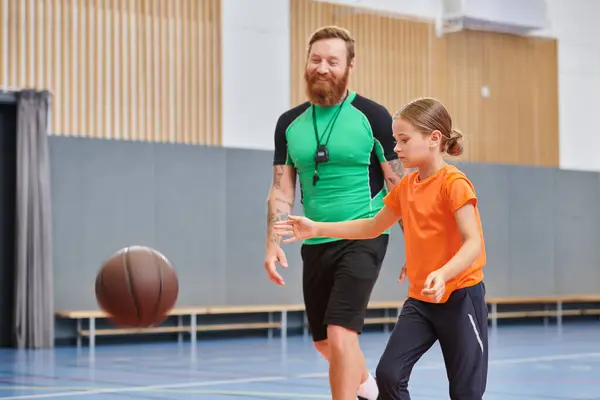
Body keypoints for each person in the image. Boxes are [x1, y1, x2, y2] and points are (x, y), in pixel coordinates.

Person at [274, 97, 488, 400]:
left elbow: (473, 243)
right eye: (395, 141)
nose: (396, 149)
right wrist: (317, 228)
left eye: (403, 140)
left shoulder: (454, 183)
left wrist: (442, 273)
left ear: (434, 139)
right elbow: (371, 226)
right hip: (421, 302)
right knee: (389, 375)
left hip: (461, 298)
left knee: (466, 392)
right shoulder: (407, 186)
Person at [264, 26, 405, 400]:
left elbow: (399, 185)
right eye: (315, 59)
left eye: (332, 61)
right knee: (326, 344)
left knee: (342, 334)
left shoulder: (372, 116)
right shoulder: (289, 124)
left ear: (349, 66)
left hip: (364, 235)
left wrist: (418, 248)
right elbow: (282, 188)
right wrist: (273, 241)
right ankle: (370, 389)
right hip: (314, 239)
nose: (322, 67)